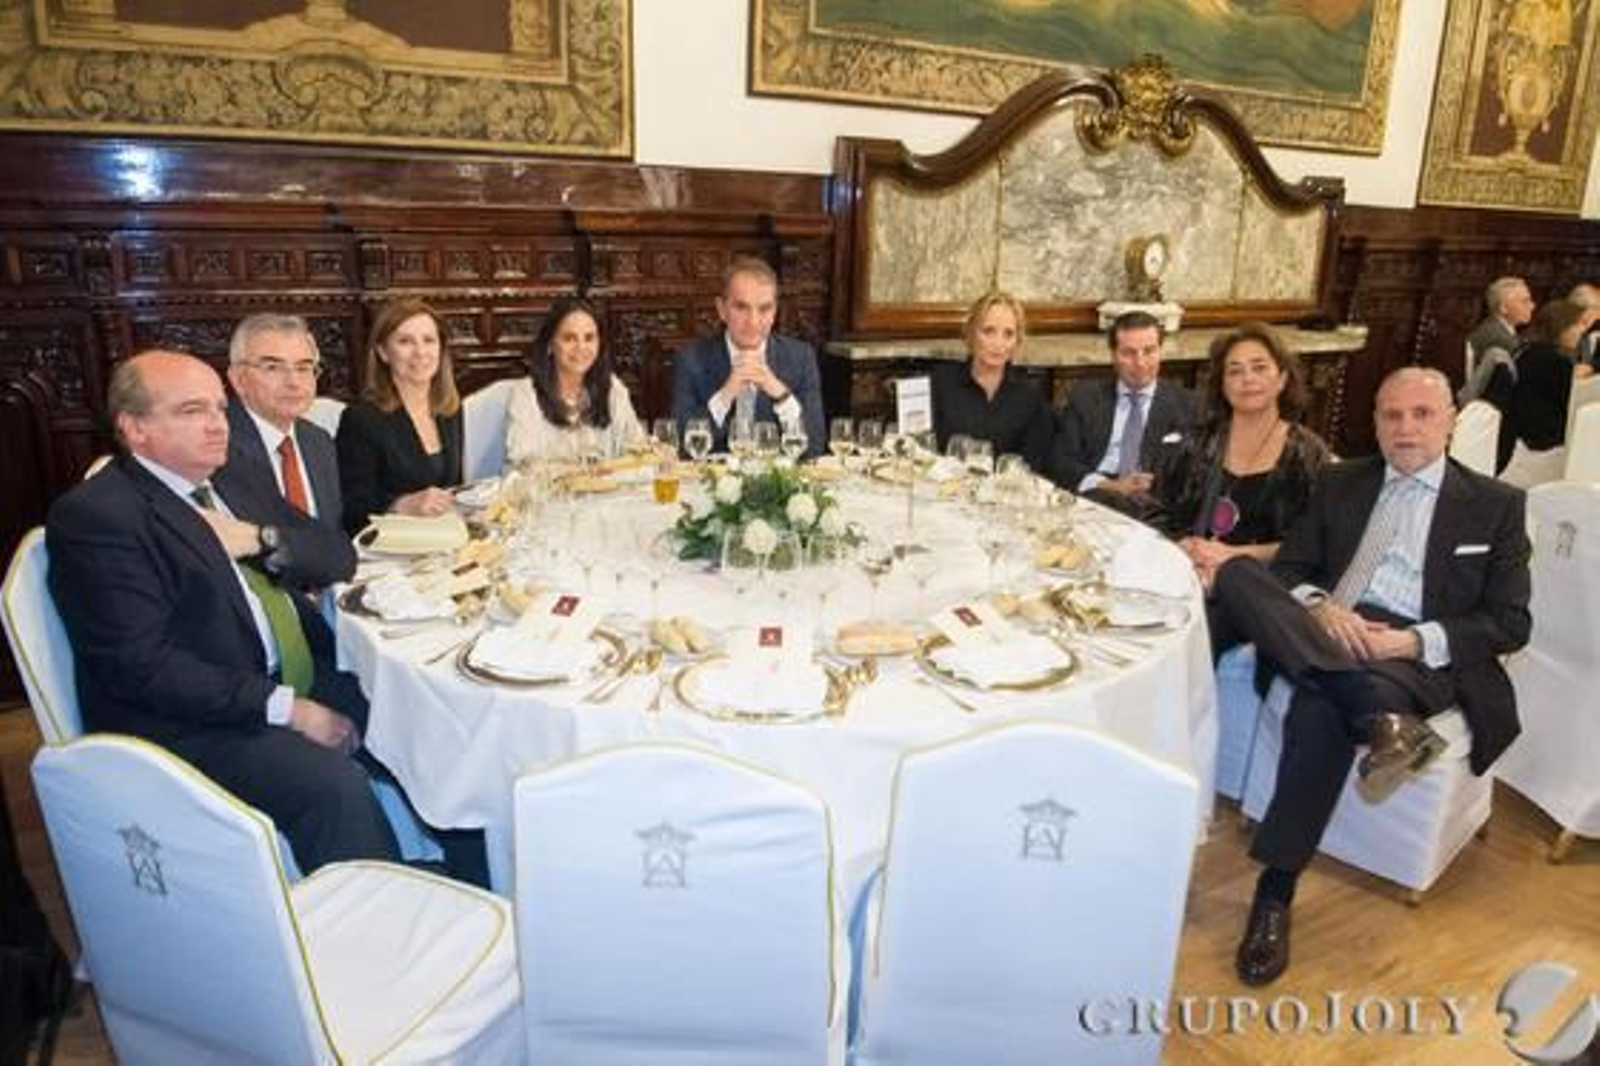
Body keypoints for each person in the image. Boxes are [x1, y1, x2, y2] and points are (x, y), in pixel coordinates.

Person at [1207, 367, 1531, 987]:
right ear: (1375, 421)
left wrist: (1409, 639)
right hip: (1325, 627)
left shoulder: (1496, 506)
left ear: (1450, 422)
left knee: (1319, 708)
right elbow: (1293, 568)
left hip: (1409, 651)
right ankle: (1376, 722)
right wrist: (1322, 609)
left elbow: (1510, 622)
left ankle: (1274, 895)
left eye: (1422, 414)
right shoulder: (1339, 482)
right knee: (1240, 575)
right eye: (1391, 415)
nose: (1405, 427)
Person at [46, 351, 401, 872]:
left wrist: (262, 537)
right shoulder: (99, 516)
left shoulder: (230, 478)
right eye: (192, 411)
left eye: (219, 407)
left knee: (417, 719)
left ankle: (476, 889)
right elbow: (143, 669)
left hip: (283, 673)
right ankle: (373, 929)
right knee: (332, 786)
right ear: (135, 428)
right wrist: (290, 710)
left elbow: (336, 552)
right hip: (189, 722)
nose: (217, 425)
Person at [1157, 323, 1331, 649]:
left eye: (1260, 367)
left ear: (1281, 379)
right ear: (1222, 385)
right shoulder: (1197, 443)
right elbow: (1161, 512)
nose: (1247, 379)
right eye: (1234, 371)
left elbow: (1310, 546)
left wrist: (1233, 556)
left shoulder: (1308, 455)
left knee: (1189, 633)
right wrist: (1185, 546)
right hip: (1187, 572)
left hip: (1260, 586)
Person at [222, 312, 353, 586]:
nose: (294, 381)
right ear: (239, 379)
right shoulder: (218, 448)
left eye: (304, 367)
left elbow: (329, 536)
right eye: (273, 367)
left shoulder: (318, 441)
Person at [671, 256, 826, 458]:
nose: (753, 321)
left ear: (774, 312)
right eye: (741, 307)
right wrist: (726, 394)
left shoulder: (800, 357)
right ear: (721, 309)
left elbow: (814, 447)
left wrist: (779, 392)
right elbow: (681, 447)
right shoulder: (690, 360)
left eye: (764, 309)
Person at [1047, 309, 1198, 516]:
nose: (1141, 362)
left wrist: (1157, 485)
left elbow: (1193, 470)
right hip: (1098, 496)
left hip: (1156, 505)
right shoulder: (1085, 397)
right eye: (1129, 353)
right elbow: (1061, 459)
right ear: (1113, 355)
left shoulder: (1188, 404)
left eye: (1149, 351)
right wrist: (1109, 485)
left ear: (1161, 351)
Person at [336, 298, 464, 534]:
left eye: (429, 340)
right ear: (383, 352)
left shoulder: (450, 409)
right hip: (391, 551)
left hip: (443, 540)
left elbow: (452, 486)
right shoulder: (361, 419)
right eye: (405, 341)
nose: (421, 352)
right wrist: (400, 505)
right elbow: (351, 511)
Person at [504, 294, 644, 467]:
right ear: (550, 344)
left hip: (609, 492)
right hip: (548, 493)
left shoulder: (613, 388)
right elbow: (521, 464)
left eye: (589, 338)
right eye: (569, 338)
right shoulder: (526, 394)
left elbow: (638, 450)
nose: (581, 348)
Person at [931, 291, 1053, 470]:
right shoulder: (940, 382)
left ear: (1017, 341)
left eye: (1008, 334)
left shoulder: (1030, 398)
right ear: (971, 333)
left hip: (1003, 494)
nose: (998, 344)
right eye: (989, 331)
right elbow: (921, 453)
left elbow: (1032, 467)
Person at [1503, 297, 1598, 487]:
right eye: (1577, 325)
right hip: (1544, 446)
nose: (1582, 332)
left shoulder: (1529, 350)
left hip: (1523, 438)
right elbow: (1570, 402)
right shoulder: (1549, 360)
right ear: (1561, 327)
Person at [1459, 275, 1534, 404]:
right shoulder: (1495, 336)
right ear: (1503, 308)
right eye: (1525, 301)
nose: (1532, 306)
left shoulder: (1500, 329)